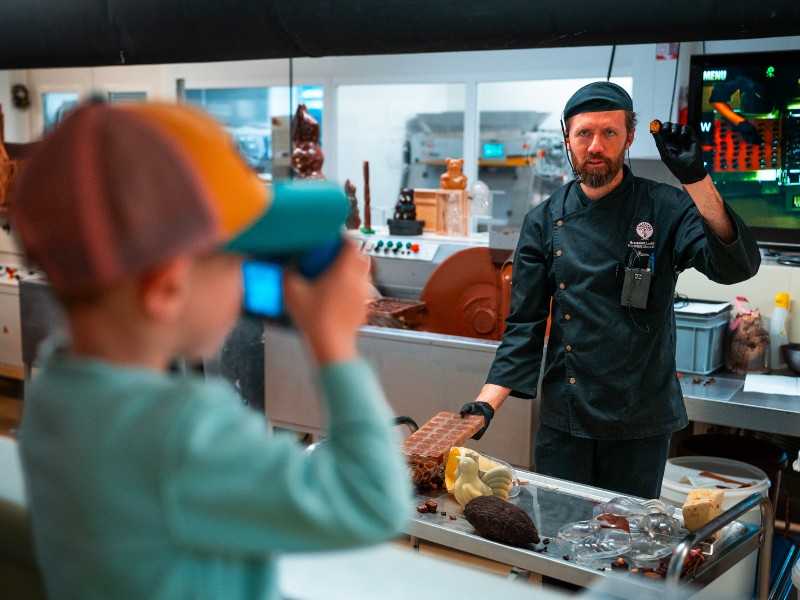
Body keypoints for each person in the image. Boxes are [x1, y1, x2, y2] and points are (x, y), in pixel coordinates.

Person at [9, 101, 411, 599]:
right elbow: (372, 500)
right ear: (166, 289)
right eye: (238, 259)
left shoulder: (57, 390)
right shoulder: (181, 433)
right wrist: (332, 342)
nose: (246, 279)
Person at [460, 82, 761, 499]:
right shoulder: (543, 222)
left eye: (609, 133)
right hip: (566, 420)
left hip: (641, 422)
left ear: (630, 137)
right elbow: (524, 326)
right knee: (557, 546)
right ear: (567, 140)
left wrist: (697, 179)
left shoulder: (666, 208)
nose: (595, 146)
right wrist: (485, 403)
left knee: (626, 554)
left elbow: (737, 266)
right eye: (584, 133)